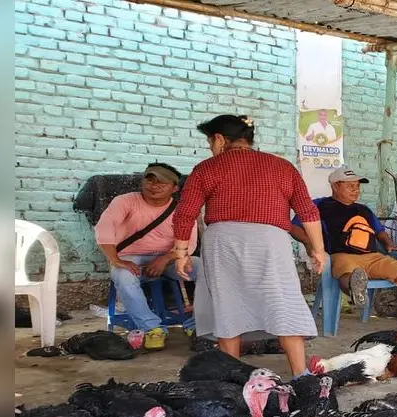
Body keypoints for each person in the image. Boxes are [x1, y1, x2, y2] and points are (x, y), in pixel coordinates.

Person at [171, 114, 327, 378]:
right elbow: (308, 212)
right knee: (282, 302)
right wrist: (318, 250)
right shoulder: (282, 166)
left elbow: (185, 214)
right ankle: (301, 375)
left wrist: (181, 253)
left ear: (219, 138)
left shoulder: (207, 168)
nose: (211, 147)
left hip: (224, 242)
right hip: (271, 242)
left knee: (227, 306)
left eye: (210, 141)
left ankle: (232, 377)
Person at [289, 167, 397, 306]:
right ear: (335, 186)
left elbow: (379, 231)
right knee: (347, 274)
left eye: (357, 186)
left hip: (373, 257)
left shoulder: (364, 210)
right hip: (341, 256)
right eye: (350, 186)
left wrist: (388, 244)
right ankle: (357, 292)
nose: (355, 190)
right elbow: (293, 226)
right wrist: (308, 243)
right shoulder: (319, 205)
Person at [95, 162, 201, 350]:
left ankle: (196, 324)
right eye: (150, 179)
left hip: (169, 259)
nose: (154, 185)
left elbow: (189, 245)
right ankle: (152, 328)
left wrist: (164, 259)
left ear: (175, 188)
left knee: (206, 269)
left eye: (162, 182)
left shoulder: (182, 210)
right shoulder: (125, 201)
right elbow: (104, 229)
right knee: (122, 275)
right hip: (131, 258)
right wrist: (115, 259)